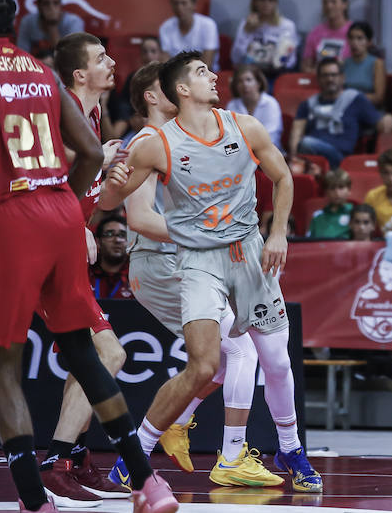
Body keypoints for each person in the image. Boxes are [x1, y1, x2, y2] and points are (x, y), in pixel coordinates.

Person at [0, 0, 177, 513]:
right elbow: (89, 153)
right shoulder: (42, 72)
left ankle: (35, 500)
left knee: (5, 365)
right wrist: (67, 203)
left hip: (9, 216)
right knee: (85, 354)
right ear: (13, 25)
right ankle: (149, 486)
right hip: (62, 211)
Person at [99, 50, 322, 493]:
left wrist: (278, 234)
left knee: (276, 362)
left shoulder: (245, 126)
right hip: (198, 262)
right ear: (182, 89)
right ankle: (136, 454)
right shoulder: (156, 144)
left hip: (248, 253)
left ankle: (291, 448)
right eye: (202, 72)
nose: (213, 77)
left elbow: (283, 178)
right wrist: (108, 172)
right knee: (204, 366)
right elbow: (108, 204)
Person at [42, 31, 130, 504]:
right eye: (101, 59)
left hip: (67, 253)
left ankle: (72, 460)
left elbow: (92, 192)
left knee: (88, 359)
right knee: (108, 356)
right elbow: (47, 187)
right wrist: (75, 227)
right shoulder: (64, 117)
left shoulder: (92, 113)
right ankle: (56, 463)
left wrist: (111, 172)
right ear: (80, 74)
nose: (112, 62)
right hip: (48, 251)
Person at [289, 57, 392, 167]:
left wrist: (388, 117)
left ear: (342, 78)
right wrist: (294, 157)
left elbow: (380, 124)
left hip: (340, 157)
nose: (330, 79)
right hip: (311, 156)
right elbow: (296, 132)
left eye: (334, 75)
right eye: (325, 75)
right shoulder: (307, 104)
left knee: (307, 143)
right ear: (318, 79)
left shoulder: (355, 99)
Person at [230, 0, 299, 80]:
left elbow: (290, 61)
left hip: (276, 74)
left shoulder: (287, 26)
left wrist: (277, 64)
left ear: (276, 3)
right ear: (255, 2)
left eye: (270, 0)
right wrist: (247, 31)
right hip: (250, 73)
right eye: (262, 0)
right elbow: (236, 58)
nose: (266, 4)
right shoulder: (246, 24)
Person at [17, 0, 87, 64]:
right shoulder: (27, 22)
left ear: (61, 6)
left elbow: (74, 58)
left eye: (55, 3)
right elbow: (21, 56)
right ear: (39, 7)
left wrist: (52, 25)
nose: (51, 7)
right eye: (46, 3)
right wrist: (42, 63)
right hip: (36, 69)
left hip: (63, 70)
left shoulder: (73, 22)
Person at [159, 0, 219, 71]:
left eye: (184, 3)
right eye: (176, 3)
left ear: (194, 4)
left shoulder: (208, 25)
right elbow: (165, 61)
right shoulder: (165, 27)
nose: (179, 7)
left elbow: (207, 63)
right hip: (175, 77)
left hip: (205, 76)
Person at [226, 65, 283, 151]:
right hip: (240, 153)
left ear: (259, 83)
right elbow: (229, 136)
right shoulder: (232, 105)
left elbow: (271, 138)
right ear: (236, 86)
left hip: (269, 153)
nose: (245, 85)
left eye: (248, 80)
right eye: (240, 81)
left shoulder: (270, 104)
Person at [301, 0, 353, 70]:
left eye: (333, 2)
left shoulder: (355, 31)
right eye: (325, 2)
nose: (329, 6)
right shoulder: (315, 33)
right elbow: (306, 67)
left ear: (345, 4)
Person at [341, 21, 385, 106]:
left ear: (369, 42)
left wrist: (350, 97)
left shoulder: (377, 63)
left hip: (369, 109)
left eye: (359, 38)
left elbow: (379, 98)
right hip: (345, 107)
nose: (354, 42)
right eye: (351, 38)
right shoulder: (343, 63)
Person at [309, 169, 356, 240]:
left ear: (349, 190)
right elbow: (308, 242)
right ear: (326, 192)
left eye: (341, 187)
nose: (337, 192)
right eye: (332, 188)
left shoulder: (356, 214)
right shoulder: (317, 216)